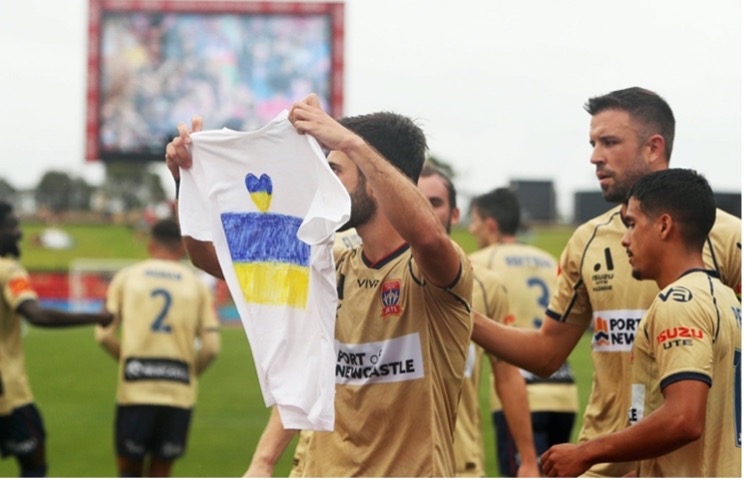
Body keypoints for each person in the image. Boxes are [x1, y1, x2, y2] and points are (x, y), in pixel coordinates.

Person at [166, 94, 474, 477]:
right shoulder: (331, 262)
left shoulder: (431, 271)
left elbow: (428, 239)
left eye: (336, 171)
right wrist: (187, 181)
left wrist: (351, 142)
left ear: (375, 180)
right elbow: (208, 258)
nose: (322, 184)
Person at [470, 86, 741, 477]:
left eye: (609, 142)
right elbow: (547, 354)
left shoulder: (725, 235)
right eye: (593, 142)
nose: (595, 156)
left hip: (690, 465)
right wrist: (465, 317)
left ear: (654, 147)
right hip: (602, 465)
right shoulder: (587, 240)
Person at [542, 168, 741, 477]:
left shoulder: (679, 303)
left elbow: (683, 419)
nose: (624, 240)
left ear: (663, 226)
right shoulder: (728, 299)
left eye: (632, 224)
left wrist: (586, 452)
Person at [417, 164, 538, 477]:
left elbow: (508, 376)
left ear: (455, 215)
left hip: (461, 462)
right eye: (415, 199)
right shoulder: (373, 276)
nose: (423, 210)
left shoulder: (485, 283)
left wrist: (527, 458)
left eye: (435, 202)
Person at [95, 218, 220, 477]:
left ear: (151, 245)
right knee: (161, 472)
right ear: (182, 247)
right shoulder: (196, 285)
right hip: (177, 393)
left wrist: (129, 359)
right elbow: (211, 348)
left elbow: (103, 336)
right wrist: (187, 371)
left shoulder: (127, 277)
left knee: (129, 471)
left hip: (136, 390)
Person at [469, 187, 578, 476]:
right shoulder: (548, 260)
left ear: (490, 225)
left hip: (520, 398)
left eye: (475, 222)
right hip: (564, 392)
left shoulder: (482, 262)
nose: (471, 230)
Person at [0, 201, 114, 477]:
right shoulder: (8, 269)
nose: (19, 233)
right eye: (12, 226)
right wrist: (96, 316)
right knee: (34, 466)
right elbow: (36, 314)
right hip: (8, 395)